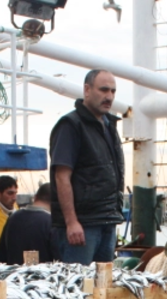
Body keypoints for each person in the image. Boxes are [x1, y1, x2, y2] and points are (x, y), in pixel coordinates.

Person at [49, 69, 126, 264]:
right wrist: (71, 222)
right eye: (103, 90)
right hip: (83, 225)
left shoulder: (109, 126)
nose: (109, 96)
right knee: (78, 287)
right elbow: (61, 176)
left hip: (107, 221)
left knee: (102, 286)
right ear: (87, 90)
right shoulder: (70, 125)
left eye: (113, 91)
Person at [0, 182, 59, 265]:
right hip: (44, 275)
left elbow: (0, 258)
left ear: (35, 197)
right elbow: (59, 258)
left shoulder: (13, 217)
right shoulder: (52, 223)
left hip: (13, 275)